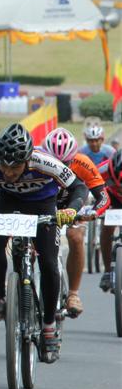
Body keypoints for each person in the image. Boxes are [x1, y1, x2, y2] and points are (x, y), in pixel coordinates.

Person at [0, 124, 87, 362]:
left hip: (43, 204)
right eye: (3, 166)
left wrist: (71, 209)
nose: (8, 172)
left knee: (49, 262)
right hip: (8, 202)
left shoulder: (45, 162)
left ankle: (48, 326)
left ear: (27, 159)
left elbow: (78, 187)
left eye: (15, 167)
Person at [40, 127, 111, 317]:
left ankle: (73, 294)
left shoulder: (82, 162)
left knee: (76, 236)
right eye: (55, 162)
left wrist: (94, 212)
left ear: (73, 156)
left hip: (74, 205)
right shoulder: (36, 160)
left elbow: (103, 196)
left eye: (65, 163)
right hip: (43, 205)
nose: (60, 167)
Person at [98, 150, 122, 292]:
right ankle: (107, 271)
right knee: (107, 227)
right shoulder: (101, 170)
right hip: (112, 200)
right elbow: (85, 186)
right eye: (115, 183)